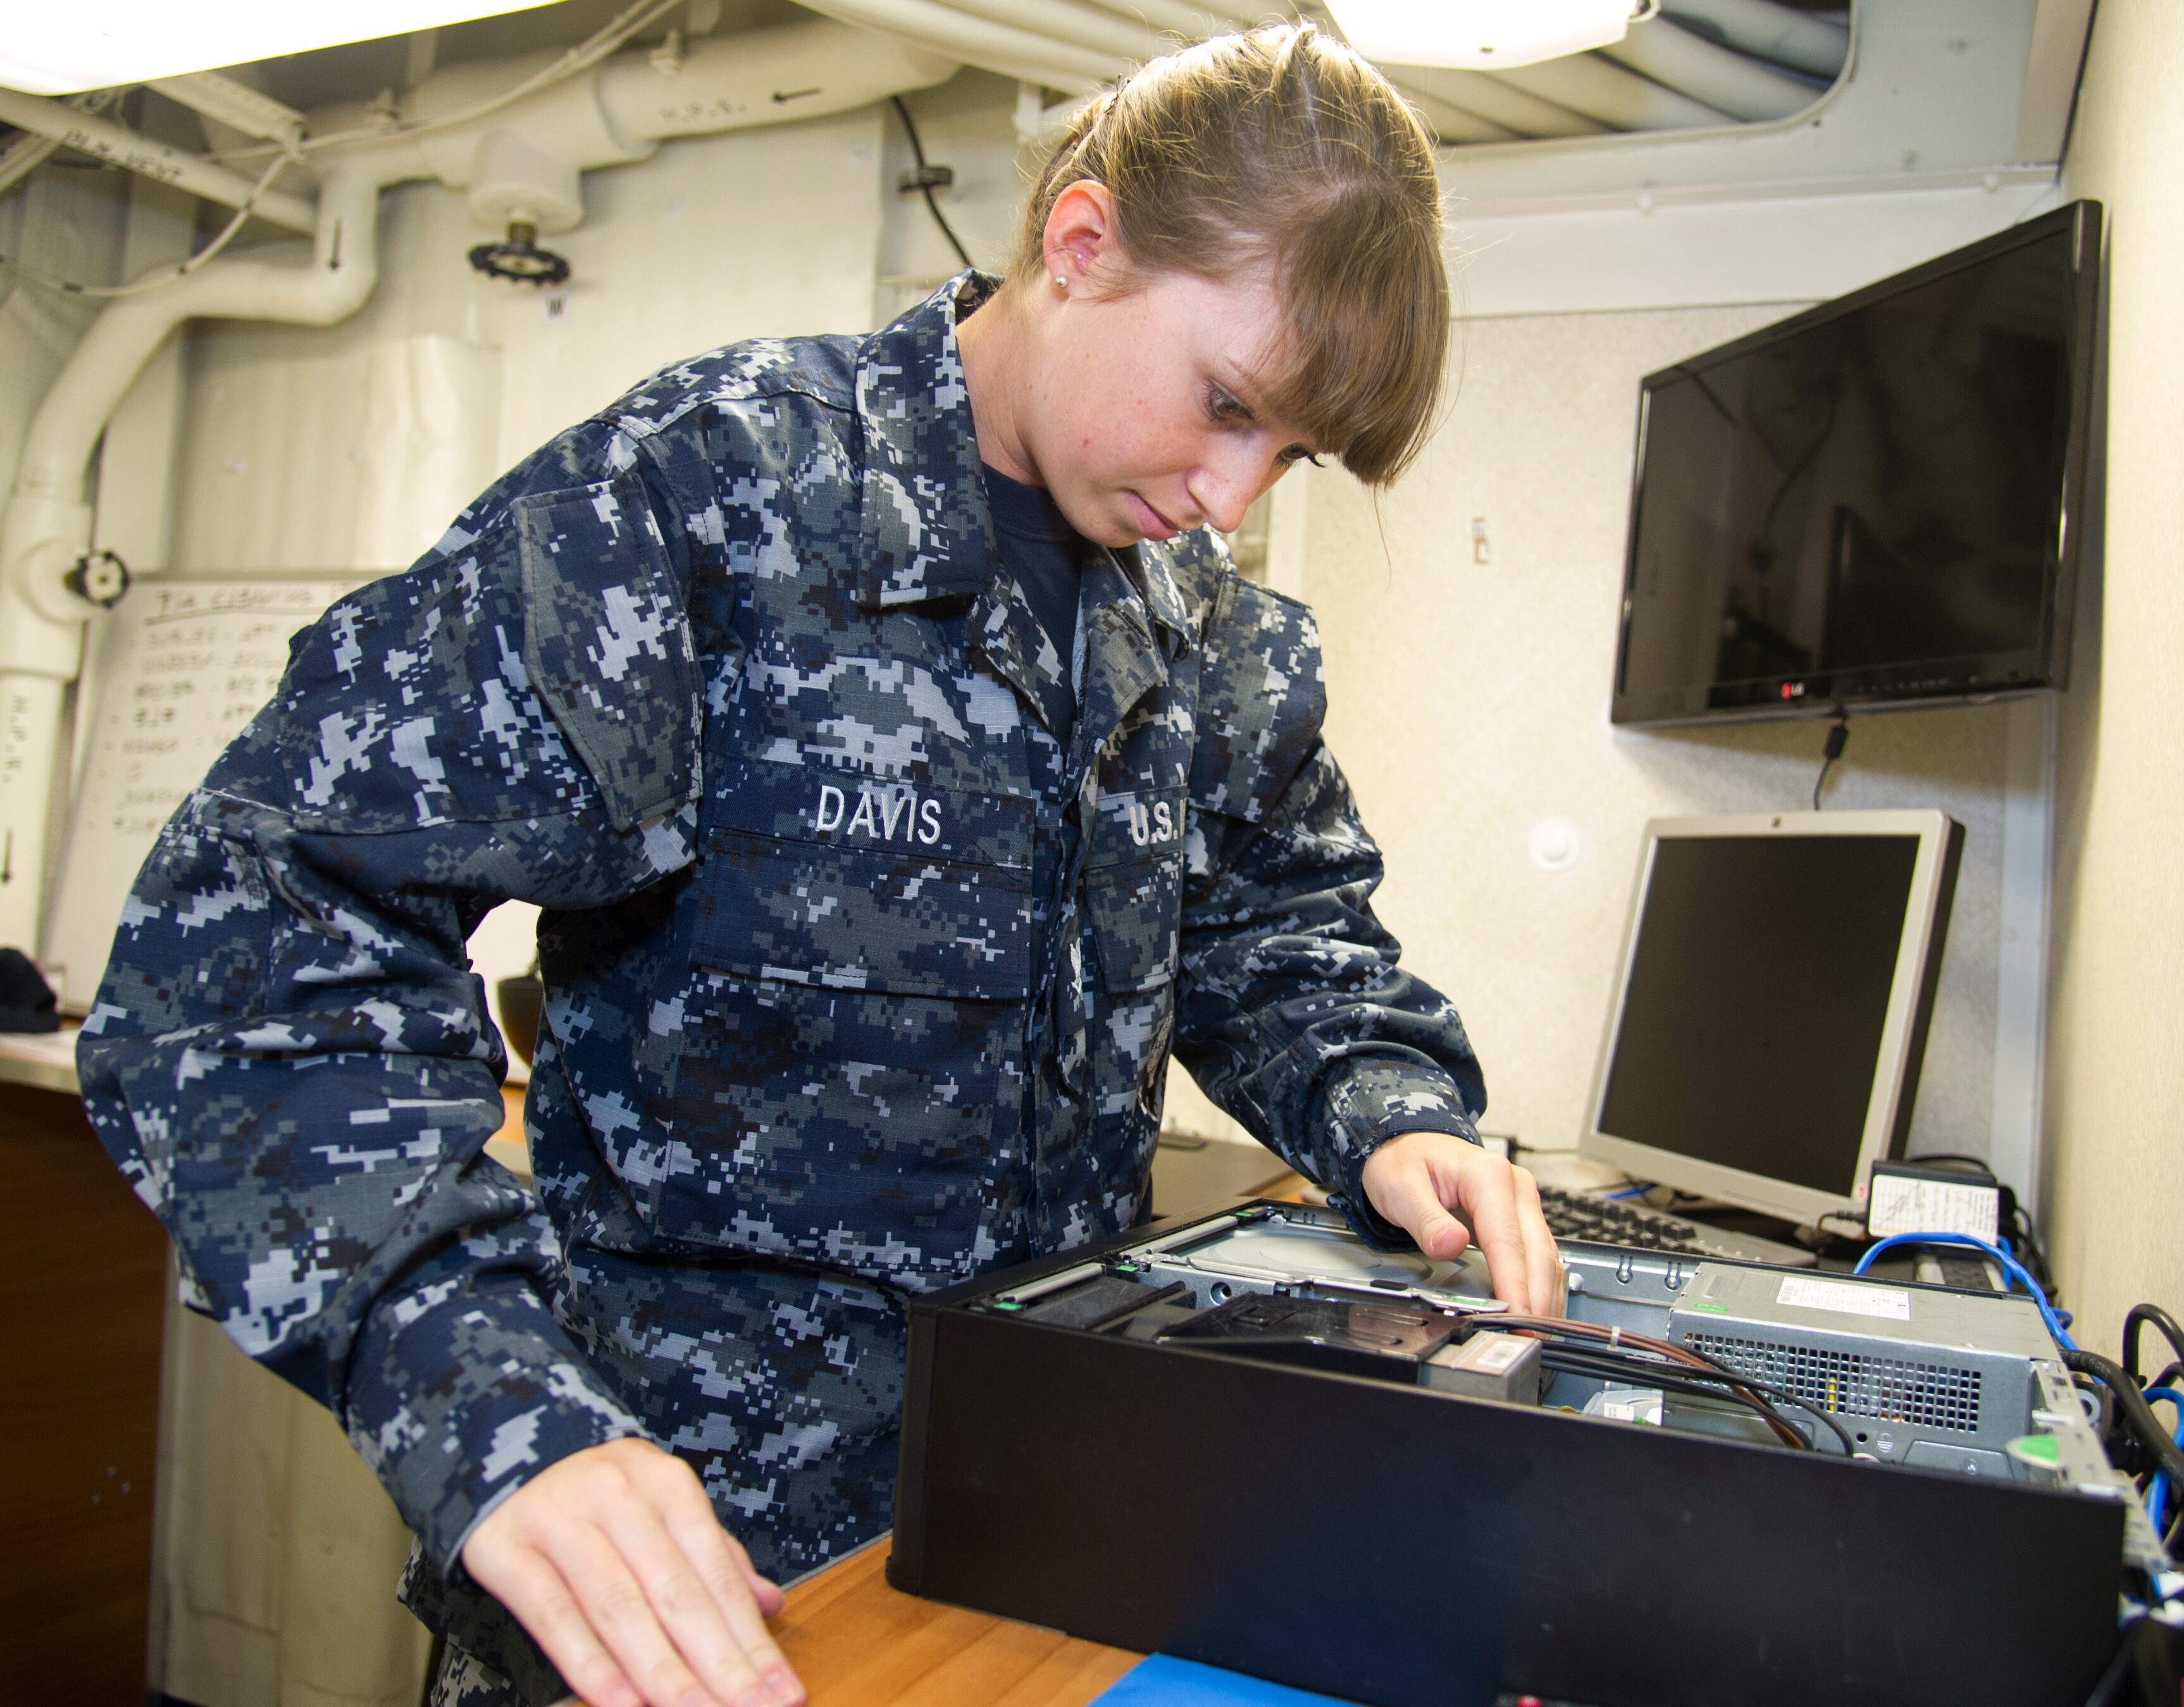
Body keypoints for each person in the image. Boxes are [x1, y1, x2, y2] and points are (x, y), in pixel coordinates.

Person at [80, 22, 1560, 1707]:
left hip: (1045, 1534)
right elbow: (253, 948)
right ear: (1082, 244)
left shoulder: (1218, 642)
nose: (1230, 492)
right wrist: (487, 1401)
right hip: (694, 1570)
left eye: (1286, 453)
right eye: (1228, 403)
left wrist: (1388, 1109)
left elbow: (1272, 932)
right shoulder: (707, 497)